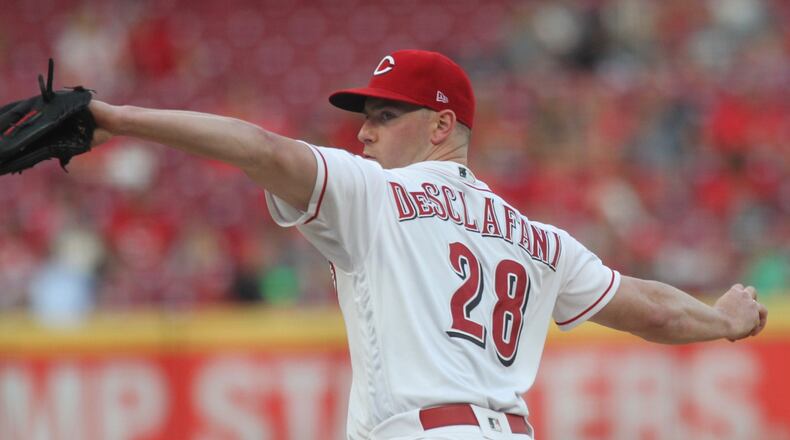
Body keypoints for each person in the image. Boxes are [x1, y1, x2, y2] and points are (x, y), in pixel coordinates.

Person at [88, 49, 768, 440]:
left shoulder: (373, 194)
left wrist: (117, 119)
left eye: (385, 117)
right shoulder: (536, 238)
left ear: (442, 125)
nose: (364, 134)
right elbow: (649, 308)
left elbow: (261, 148)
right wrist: (722, 321)